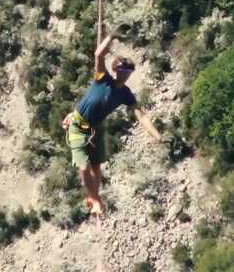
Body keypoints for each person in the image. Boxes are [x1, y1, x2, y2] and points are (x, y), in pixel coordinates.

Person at [62, 33, 163, 217]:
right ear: (116, 70)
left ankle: (95, 196)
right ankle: (93, 199)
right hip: (78, 123)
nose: (125, 75)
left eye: (128, 72)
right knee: (83, 166)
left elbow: (141, 116)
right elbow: (98, 55)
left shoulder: (126, 94)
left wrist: (157, 136)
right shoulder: (103, 78)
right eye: (123, 71)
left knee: (96, 166)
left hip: (97, 128)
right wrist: (112, 36)